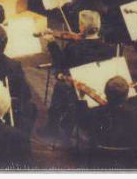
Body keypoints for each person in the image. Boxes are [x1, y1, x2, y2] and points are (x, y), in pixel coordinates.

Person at [41, 11, 115, 139]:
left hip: (78, 93)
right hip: (99, 92)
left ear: (82, 27)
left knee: (60, 85)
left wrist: (52, 43)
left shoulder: (74, 48)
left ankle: (52, 128)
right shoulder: (108, 49)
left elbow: (60, 65)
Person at [78, 76, 137, 169]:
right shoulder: (134, 117)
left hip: (101, 163)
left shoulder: (93, 113)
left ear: (105, 93)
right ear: (126, 96)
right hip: (128, 164)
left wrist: (81, 97)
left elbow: (82, 121)